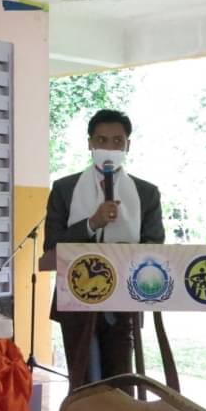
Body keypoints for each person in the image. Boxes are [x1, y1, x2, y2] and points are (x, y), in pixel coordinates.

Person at [43, 108, 165, 391]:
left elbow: (154, 246)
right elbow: (52, 247)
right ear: (90, 143)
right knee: (82, 382)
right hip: (75, 299)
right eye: (101, 140)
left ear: (127, 145)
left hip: (124, 303)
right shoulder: (64, 189)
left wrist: (123, 253)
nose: (109, 147)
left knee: (120, 379)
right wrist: (91, 223)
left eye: (117, 141)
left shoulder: (146, 193)